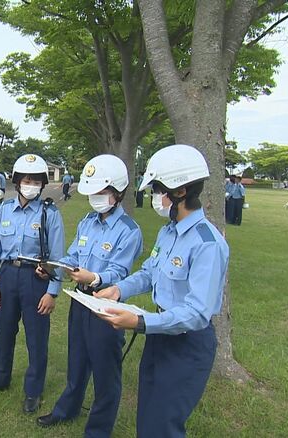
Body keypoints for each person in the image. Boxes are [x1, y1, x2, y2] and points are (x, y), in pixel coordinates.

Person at [94, 144, 229, 438]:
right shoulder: (168, 232)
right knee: (148, 418)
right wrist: (118, 289)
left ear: (180, 191)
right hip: (160, 336)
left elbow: (196, 313)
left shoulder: (207, 243)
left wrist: (141, 323)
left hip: (187, 344)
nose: (155, 197)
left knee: (164, 426)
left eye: (157, 189)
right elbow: (149, 273)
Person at [36, 154, 143, 437]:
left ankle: (97, 430)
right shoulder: (87, 221)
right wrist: (57, 266)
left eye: (101, 192)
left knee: (105, 371)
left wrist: (94, 278)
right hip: (80, 301)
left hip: (106, 305)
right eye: (92, 192)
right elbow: (74, 253)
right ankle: (66, 410)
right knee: (78, 360)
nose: (94, 197)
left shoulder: (128, 231)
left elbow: (119, 270)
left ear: (117, 192)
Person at [0, 154, 65, 414]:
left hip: (35, 280)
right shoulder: (3, 211)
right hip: (7, 278)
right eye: (26, 180)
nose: (31, 185)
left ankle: (33, 391)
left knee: (36, 337)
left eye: (36, 181)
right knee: (4, 331)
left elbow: (57, 256)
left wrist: (53, 292)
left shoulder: (49, 213)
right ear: (16, 182)